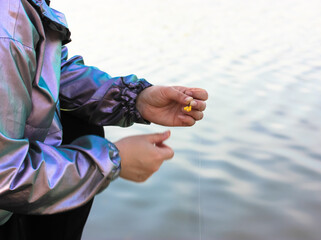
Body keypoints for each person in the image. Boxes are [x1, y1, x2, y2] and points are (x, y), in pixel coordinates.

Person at [0, 0, 208, 239]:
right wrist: (113, 161)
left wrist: (136, 99)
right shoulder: (7, 25)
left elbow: (52, 70)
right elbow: (4, 174)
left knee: (79, 127)